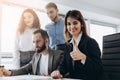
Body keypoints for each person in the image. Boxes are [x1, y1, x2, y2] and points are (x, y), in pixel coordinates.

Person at [51, 10, 103, 80]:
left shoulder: (91, 42)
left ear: (81, 24)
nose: (72, 27)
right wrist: (58, 72)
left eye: (75, 23)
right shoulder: (68, 45)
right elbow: (63, 65)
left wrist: (84, 58)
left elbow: (98, 69)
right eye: (69, 24)